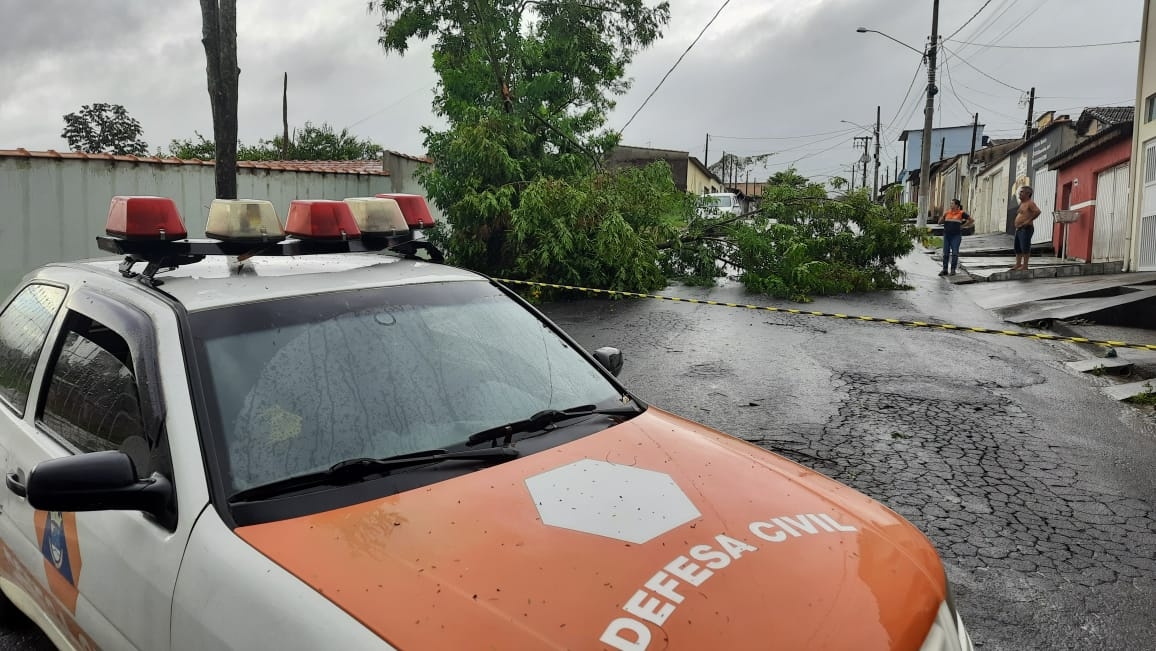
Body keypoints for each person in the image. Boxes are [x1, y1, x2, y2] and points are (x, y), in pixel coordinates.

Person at [938, 198, 974, 276]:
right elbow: (939, 223)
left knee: (954, 253)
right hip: (947, 235)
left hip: (956, 236)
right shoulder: (947, 213)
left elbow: (971, 220)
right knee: (945, 253)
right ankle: (944, 270)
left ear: (957, 205)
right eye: (950, 204)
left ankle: (953, 270)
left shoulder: (961, 213)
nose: (951, 205)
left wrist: (963, 226)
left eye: (952, 203)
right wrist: (943, 216)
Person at [1012, 186, 1041, 270]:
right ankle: (1018, 264)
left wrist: (1028, 221)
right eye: (1020, 192)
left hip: (1026, 228)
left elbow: (1037, 211)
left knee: (1025, 247)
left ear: (1028, 194)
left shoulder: (1030, 203)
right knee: (1017, 247)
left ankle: (1025, 266)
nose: (1019, 193)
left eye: (1022, 192)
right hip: (1019, 229)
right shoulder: (1022, 203)